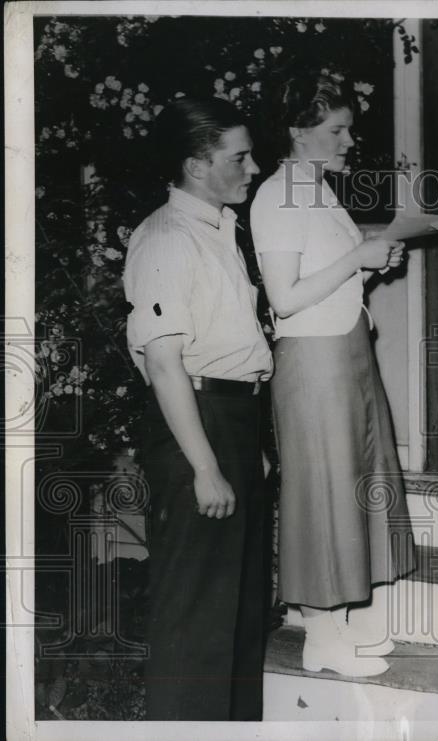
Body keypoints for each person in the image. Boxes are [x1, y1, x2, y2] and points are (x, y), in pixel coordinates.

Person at [250, 68, 415, 677]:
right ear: (298, 131)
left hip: (346, 348)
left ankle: (345, 623)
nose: (350, 141)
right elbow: (284, 298)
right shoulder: (276, 194)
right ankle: (319, 637)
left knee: (357, 481)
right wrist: (357, 257)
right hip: (312, 359)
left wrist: (370, 266)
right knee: (322, 491)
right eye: (337, 130)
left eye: (350, 129)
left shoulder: (316, 189)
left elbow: (331, 277)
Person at [124, 97, 272, 720]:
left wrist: (249, 447)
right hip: (196, 427)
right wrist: (206, 467)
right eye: (238, 157)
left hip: (231, 420)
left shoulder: (218, 229)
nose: (254, 167)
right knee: (195, 622)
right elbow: (165, 363)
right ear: (194, 165)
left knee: (238, 613)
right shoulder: (165, 238)